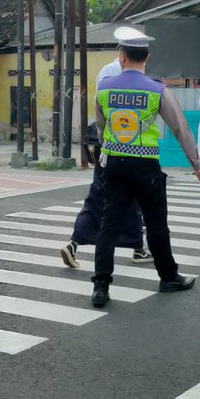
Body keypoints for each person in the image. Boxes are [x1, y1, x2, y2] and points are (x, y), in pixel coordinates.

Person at [91, 29, 200, 308]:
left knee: (108, 225)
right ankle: (168, 277)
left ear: (121, 57)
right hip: (146, 167)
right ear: (146, 57)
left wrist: (108, 151)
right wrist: (198, 166)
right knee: (157, 224)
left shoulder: (105, 88)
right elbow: (180, 129)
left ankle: (101, 286)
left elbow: (101, 128)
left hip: (113, 163)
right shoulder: (157, 90)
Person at [61, 55, 151, 268]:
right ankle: (138, 249)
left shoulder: (106, 73)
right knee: (132, 199)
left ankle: (74, 243)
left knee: (96, 198)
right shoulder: (126, 78)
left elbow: (101, 120)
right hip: (127, 151)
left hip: (107, 151)